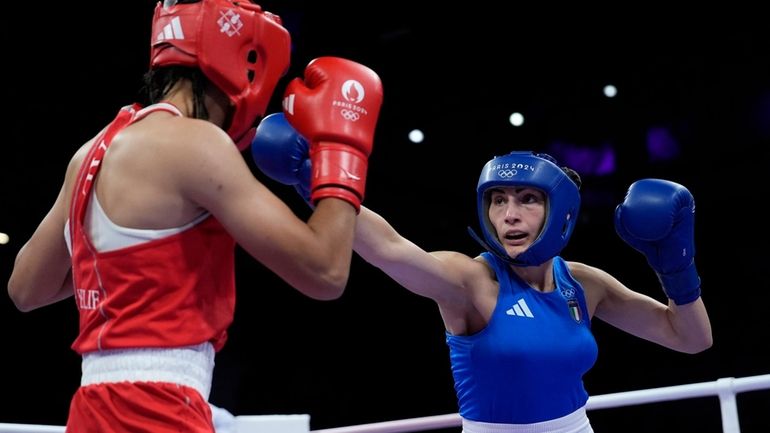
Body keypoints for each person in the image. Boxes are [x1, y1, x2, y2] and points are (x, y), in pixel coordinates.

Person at [6, 0, 383, 432]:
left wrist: (127, 268)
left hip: (91, 408)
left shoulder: (92, 151)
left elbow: (26, 288)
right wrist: (341, 152)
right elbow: (325, 273)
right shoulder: (198, 145)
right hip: (159, 409)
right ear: (248, 63)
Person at [249, 117, 713, 433]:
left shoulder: (585, 283)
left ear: (561, 211)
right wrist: (314, 178)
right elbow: (388, 248)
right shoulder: (471, 281)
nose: (508, 215)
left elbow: (690, 338)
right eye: (498, 199)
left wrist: (675, 262)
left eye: (527, 199)